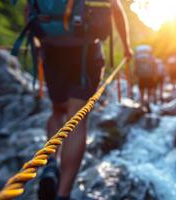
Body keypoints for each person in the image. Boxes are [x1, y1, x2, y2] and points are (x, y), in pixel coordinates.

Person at [34, 1, 133, 200]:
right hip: (86, 51)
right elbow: (115, 7)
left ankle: (51, 162)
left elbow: (31, 9)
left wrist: (40, 41)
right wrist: (126, 47)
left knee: (57, 111)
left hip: (52, 49)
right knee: (77, 121)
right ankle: (63, 194)